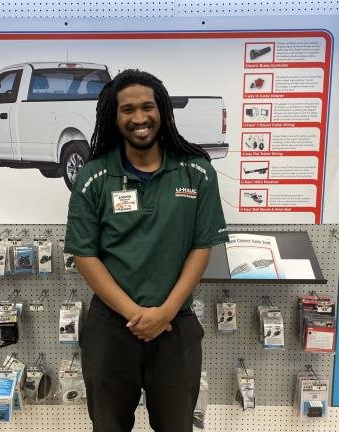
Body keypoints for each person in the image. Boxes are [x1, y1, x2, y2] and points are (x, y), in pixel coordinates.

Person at [64, 69, 228, 432]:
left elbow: (201, 247)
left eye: (147, 107)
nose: (139, 118)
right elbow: (85, 256)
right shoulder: (93, 177)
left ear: (162, 111)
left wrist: (165, 312)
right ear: (114, 116)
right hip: (111, 328)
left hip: (175, 326)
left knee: (177, 426)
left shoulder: (197, 172)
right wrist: (136, 314)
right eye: (127, 109)